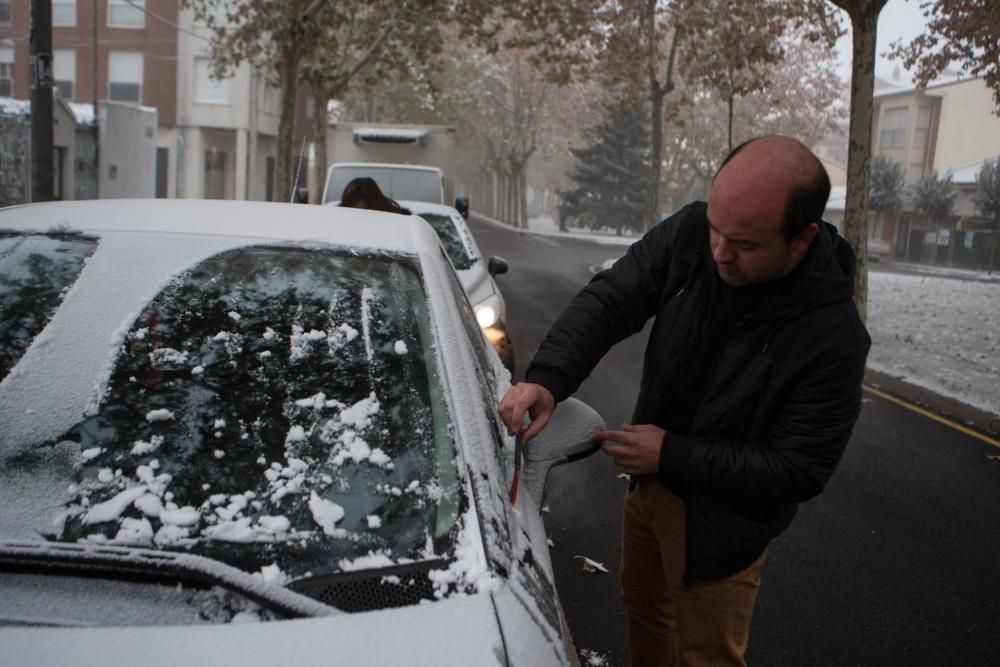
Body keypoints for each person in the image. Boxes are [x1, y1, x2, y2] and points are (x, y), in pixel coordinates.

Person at [498, 136, 871, 666]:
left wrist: (672, 454)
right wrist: (549, 378)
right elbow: (613, 298)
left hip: (723, 531)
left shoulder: (832, 337)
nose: (718, 252)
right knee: (646, 612)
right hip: (650, 488)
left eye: (743, 244)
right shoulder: (694, 232)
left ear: (802, 238)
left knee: (706, 654)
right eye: (716, 229)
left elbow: (799, 469)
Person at [339, 177, 411, 215]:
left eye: (363, 211)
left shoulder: (401, 221)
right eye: (352, 211)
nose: (357, 216)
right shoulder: (336, 219)